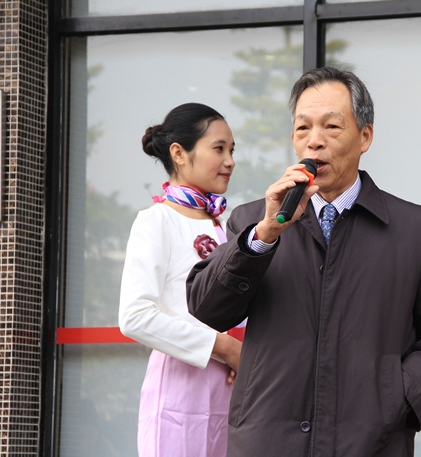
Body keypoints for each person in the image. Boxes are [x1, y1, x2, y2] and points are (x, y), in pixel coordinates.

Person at [186, 67, 421, 457]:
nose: (315, 141)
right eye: (302, 128)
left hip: (370, 443)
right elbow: (207, 310)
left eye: (331, 127)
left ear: (365, 137)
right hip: (267, 441)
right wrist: (264, 235)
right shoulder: (253, 221)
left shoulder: (418, 230)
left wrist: (397, 399)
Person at [118, 102, 243, 457]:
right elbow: (135, 317)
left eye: (232, 150)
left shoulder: (228, 228)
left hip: (233, 393)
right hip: (179, 394)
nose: (230, 161)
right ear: (179, 153)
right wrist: (224, 348)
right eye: (218, 148)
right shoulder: (157, 221)